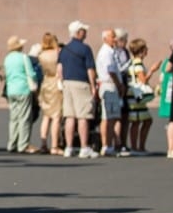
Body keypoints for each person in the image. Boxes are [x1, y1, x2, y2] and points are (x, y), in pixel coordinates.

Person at [58, 20, 98, 158]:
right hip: (81, 83)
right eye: (84, 31)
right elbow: (90, 69)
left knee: (70, 116)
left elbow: (59, 69)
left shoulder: (64, 49)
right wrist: (93, 86)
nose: (86, 33)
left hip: (67, 83)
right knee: (83, 116)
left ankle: (68, 147)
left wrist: (62, 83)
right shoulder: (85, 49)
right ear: (78, 32)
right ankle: (83, 147)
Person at [95, 28, 124, 156]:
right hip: (109, 85)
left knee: (111, 117)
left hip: (110, 85)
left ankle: (109, 144)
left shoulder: (111, 51)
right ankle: (106, 145)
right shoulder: (106, 52)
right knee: (108, 117)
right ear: (105, 38)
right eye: (113, 36)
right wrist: (119, 84)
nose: (115, 39)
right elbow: (110, 70)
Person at [36, 33, 64, 154]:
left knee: (46, 115)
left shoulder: (41, 54)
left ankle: (43, 143)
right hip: (55, 82)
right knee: (56, 116)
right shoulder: (57, 53)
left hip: (46, 82)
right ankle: (54, 145)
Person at [126, 38, 153, 154]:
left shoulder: (133, 62)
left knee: (142, 121)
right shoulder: (138, 64)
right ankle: (137, 147)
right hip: (136, 96)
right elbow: (143, 80)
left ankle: (138, 146)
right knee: (139, 121)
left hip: (133, 94)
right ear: (141, 50)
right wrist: (152, 70)